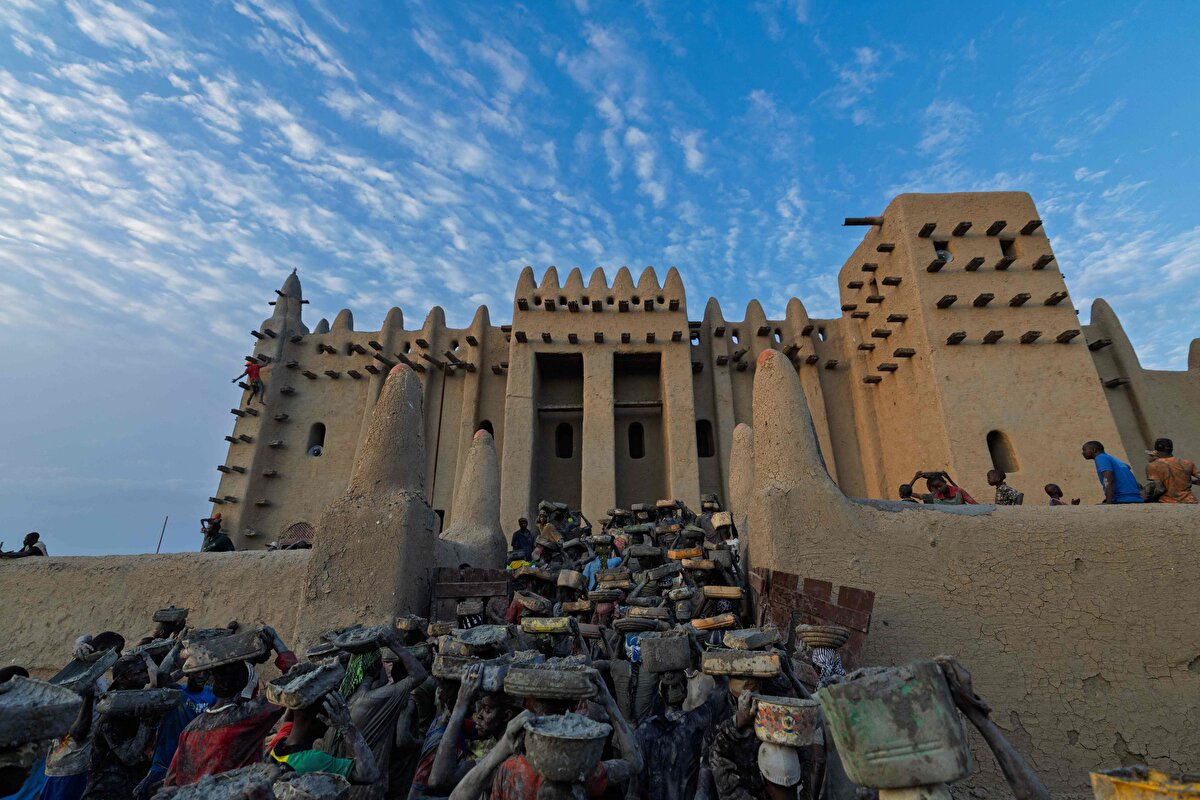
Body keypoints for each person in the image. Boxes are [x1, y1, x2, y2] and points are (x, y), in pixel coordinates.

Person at [163, 627, 297, 787]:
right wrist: (276, 641)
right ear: (243, 686)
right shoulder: (248, 717)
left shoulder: (190, 730)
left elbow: (170, 782)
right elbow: (296, 685)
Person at [81, 654, 161, 800]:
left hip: (128, 788)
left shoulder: (136, 704)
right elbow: (129, 757)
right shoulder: (112, 715)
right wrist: (146, 723)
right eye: (139, 673)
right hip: (106, 791)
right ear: (122, 679)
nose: (145, 676)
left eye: (145, 671)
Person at [268, 693, 380, 784]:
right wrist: (347, 726)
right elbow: (369, 774)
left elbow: (290, 717)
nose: (329, 725)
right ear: (319, 719)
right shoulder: (312, 761)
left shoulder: (278, 742)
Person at [1144, 438, 1199, 504]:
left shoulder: (1153, 465)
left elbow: (1160, 489)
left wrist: (1146, 499)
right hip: (1190, 500)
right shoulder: (1187, 463)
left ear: (1156, 451)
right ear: (1171, 449)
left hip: (1168, 501)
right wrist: (1185, 480)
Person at [911, 471, 976, 505]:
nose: (939, 489)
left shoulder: (958, 492)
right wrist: (915, 478)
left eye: (940, 485)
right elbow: (906, 493)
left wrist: (915, 478)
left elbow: (975, 504)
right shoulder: (934, 497)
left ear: (945, 482)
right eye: (936, 488)